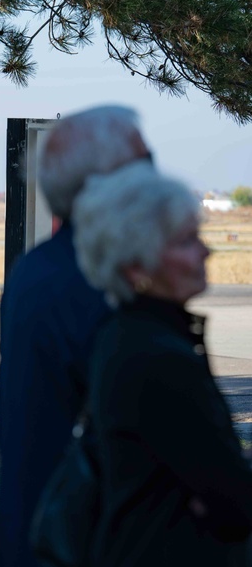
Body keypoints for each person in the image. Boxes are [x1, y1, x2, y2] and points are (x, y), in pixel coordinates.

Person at [0, 105, 152, 567]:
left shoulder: (40, 269)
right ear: (104, 181)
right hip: (78, 540)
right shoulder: (92, 279)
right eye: (143, 164)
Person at [72, 162, 252, 565]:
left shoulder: (122, 334)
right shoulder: (159, 358)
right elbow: (235, 500)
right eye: (187, 240)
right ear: (136, 266)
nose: (207, 250)